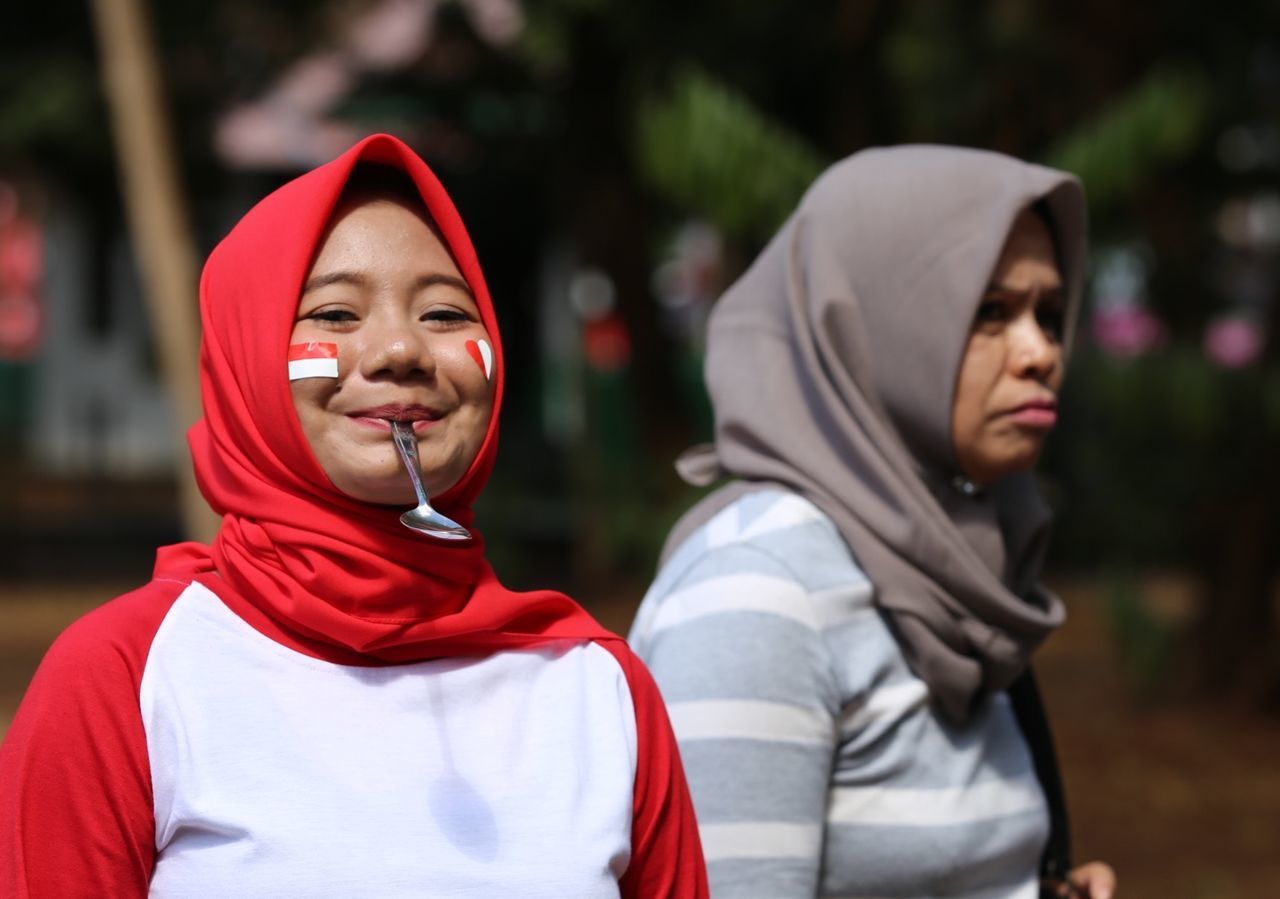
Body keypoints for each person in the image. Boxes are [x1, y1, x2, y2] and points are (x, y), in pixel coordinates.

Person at [0, 133, 706, 897]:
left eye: (443, 313)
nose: (401, 348)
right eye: (335, 312)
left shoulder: (600, 690)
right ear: (246, 359)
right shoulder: (125, 679)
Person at [628, 146, 1116, 898]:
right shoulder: (759, 590)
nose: (1040, 352)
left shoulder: (962, 555)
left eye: (1049, 315)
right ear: (869, 323)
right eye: (989, 311)